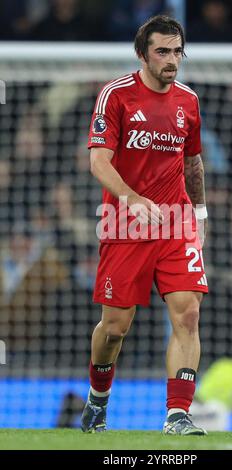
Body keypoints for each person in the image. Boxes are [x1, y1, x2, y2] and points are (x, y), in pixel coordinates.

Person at [81, 15, 209, 435]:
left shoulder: (188, 101)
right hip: (125, 222)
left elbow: (192, 162)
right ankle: (98, 399)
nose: (173, 60)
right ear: (142, 54)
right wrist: (132, 199)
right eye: (163, 52)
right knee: (115, 328)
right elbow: (98, 160)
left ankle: (177, 414)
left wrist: (201, 214)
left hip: (176, 222)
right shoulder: (115, 96)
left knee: (188, 314)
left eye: (177, 51)